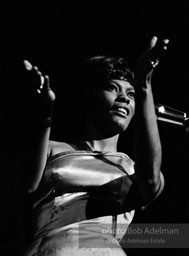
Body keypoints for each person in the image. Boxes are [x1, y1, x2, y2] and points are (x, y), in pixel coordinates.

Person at [22, 36, 169, 256]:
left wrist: (144, 85)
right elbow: (27, 187)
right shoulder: (53, 148)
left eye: (131, 94)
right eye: (112, 87)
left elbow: (150, 183)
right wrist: (44, 116)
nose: (124, 99)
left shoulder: (133, 168)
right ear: (90, 96)